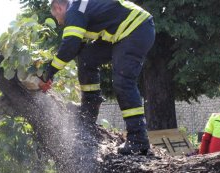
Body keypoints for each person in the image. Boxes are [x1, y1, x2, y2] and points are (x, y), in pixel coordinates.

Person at [39, 0, 155, 155]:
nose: (59, 23)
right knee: (87, 58)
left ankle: (138, 139)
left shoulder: (74, 11)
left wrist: (49, 71)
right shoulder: (81, 9)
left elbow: (70, 45)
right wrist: (47, 70)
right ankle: (88, 114)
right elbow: (78, 47)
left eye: (56, 18)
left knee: (123, 82)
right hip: (122, 33)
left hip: (136, 28)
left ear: (59, 7)